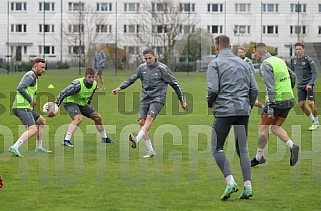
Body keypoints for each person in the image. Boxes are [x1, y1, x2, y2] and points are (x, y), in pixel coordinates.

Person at [207, 35, 258, 200]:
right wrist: (248, 105)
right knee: (242, 149)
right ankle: (248, 187)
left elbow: (213, 89)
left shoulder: (215, 63)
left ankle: (230, 182)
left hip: (224, 111)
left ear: (217, 46)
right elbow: (254, 89)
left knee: (217, 148)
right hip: (243, 111)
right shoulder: (244, 63)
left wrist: (210, 103)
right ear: (230, 45)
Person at [112, 48, 188, 158]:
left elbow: (175, 84)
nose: (148, 61)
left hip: (158, 98)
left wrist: (182, 100)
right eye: (146, 59)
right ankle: (151, 151)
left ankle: (136, 140)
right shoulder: (142, 68)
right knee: (142, 123)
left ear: (155, 56)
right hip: (145, 99)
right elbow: (131, 79)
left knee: (149, 119)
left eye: (150, 58)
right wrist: (120, 87)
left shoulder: (163, 69)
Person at [251, 43, 299, 167]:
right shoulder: (279, 60)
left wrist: (271, 107)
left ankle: (258, 158)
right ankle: (292, 146)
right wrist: (288, 89)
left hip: (276, 101)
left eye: (254, 52)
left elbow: (270, 87)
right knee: (275, 128)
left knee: (263, 128)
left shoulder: (265, 65)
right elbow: (292, 76)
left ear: (259, 52)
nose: (253, 55)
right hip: (288, 99)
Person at [55, 67, 115, 147]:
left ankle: (105, 138)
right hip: (70, 102)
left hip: (82, 103)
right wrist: (56, 104)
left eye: (93, 77)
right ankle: (66, 140)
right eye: (89, 77)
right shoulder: (77, 84)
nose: (91, 79)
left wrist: (89, 107)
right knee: (78, 118)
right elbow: (63, 92)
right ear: (85, 76)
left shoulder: (95, 85)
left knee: (98, 117)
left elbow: (90, 96)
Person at [9, 58, 50, 157]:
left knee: (42, 121)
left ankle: (38, 147)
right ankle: (15, 146)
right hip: (21, 106)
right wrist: (30, 100)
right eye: (42, 67)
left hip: (25, 107)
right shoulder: (31, 76)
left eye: (44, 67)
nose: (43, 70)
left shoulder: (33, 76)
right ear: (35, 66)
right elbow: (20, 87)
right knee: (33, 129)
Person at [291, 42, 319, 131]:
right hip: (300, 86)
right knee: (301, 105)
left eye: (300, 49)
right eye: (297, 49)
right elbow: (292, 72)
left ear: (303, 50)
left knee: (311, 103)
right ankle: (313, 120)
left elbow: (315, 73)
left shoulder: (308, 60)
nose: (298, 51)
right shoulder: (293, 60)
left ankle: (316, 122)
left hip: (309, 85)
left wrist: (310, 84)